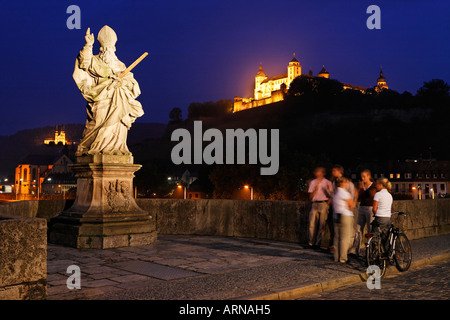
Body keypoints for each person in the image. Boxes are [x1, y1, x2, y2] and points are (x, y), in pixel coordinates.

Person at [328, 165, 356, 252]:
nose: (333, 173)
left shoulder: (346, 182)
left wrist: (351, 203)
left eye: (334, 171)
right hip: (336, 209)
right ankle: (337, 248)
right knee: (336, 230)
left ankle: (347, 249)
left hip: (346, 209)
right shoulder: (333, 182)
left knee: (347, 231)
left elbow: (353, 192)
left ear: (340, 172)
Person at [352, 170, 377, 257]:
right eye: (361, 177)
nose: (362, 178)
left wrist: (363, 187)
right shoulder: (362, 186)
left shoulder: (373, 186)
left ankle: (370, 251)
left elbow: (371, 194)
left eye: (364, 176)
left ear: (369, 176)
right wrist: (360, 188)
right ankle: (356, 250)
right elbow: (359, 195)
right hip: (362, 208)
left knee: (370, 230)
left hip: (370, 209)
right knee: (358, 229)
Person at [307, 167, 332, 249]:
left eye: (320, 172)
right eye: (317, 172)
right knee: (312, 224)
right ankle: (311, 242)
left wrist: (327, 204)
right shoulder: (313, 182)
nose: (318, 174)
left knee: (322, 225)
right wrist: (316, 188)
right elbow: (310, 196)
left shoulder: (328, 182)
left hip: (323, 204)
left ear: (323, 173)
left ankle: (318, 243)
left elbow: (331, 196)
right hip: (315, 204)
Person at [332, 177, 355, 263]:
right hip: (345, 216)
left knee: (337, 237)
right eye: (347, 182)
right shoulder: (345, 193)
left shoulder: (335, 193)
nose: (348, 184)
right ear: (343, 183)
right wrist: (354, 197)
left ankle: (336, 257)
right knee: (345, 238)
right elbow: (351, 206)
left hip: (336, 215)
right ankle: (343, 258)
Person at [372, 178, 393, 253]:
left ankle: (374, 255)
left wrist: (375, 214)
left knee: (374, 236)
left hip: (379, 218)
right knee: (385, 238)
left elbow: (374, 209)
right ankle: (387, 255)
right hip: (387, 218)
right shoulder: (389, 195)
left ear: (381, 185)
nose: (375, 186)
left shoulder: (378, 194)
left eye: (376, 184)